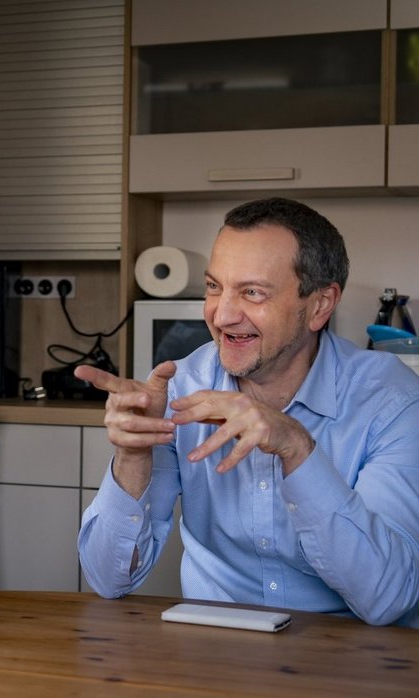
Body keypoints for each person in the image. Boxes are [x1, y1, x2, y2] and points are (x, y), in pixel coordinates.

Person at [76, 197, 419, 627]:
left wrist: (297, 448)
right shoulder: (179, 387)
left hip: (350, 653)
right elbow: (108, 580)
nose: (221, 315)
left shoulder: (392, 401)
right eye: (214, 287)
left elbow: (389, 599)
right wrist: (132, 457)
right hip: (214, 648)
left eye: (252, 292)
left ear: (320, 305)